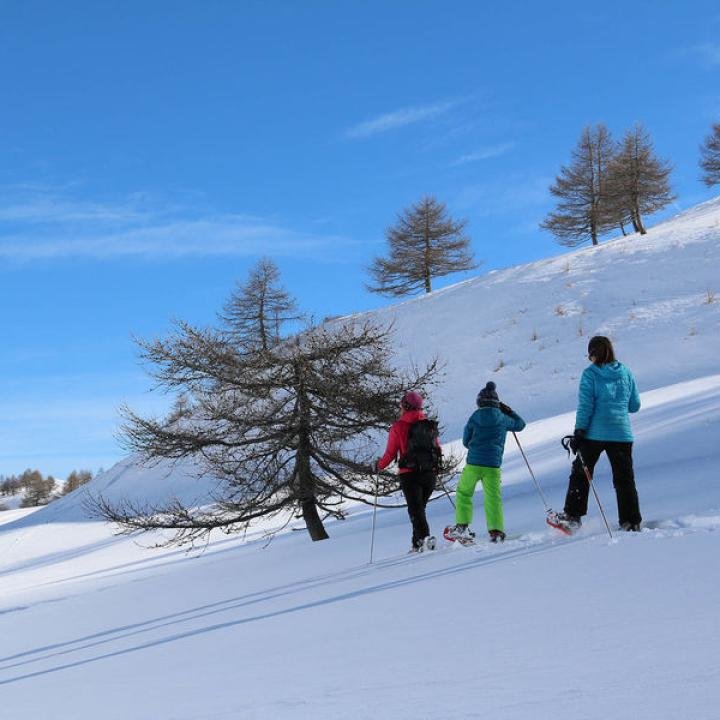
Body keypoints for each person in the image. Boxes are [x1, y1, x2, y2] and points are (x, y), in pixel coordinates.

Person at [555, 335, 642, 532]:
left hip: (594, 433)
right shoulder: (626, 372)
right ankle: (631, 521)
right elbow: (635, 405)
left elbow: (586, 405)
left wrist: (578, 432)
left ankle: (572, 516)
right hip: (621, 433)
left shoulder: (590, 374)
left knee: (581, 473)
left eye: (589, 355)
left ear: (594, 354)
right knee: (624, 478)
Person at [445, 382, 526, 544]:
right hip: (493, 466)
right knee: (493, 498)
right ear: (497, 403)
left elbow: (466, 441)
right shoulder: (503, 418)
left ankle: (462, 526)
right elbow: (520, 424)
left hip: (473, 464)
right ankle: (496, 531)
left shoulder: (475, 417)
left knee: (464, 493)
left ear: (479, 401)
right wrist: (509, 411)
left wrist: (475, 447)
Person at [375, 391, 441, 552]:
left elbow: (390, 454)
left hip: (410, 474)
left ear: (405, 406)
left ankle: (425, 539)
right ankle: (417, 543)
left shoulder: (398, 427)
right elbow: (437, 448)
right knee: (419, 509)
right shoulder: (428, 425)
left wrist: (379, 466)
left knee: (415, 509)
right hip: (429, 473)